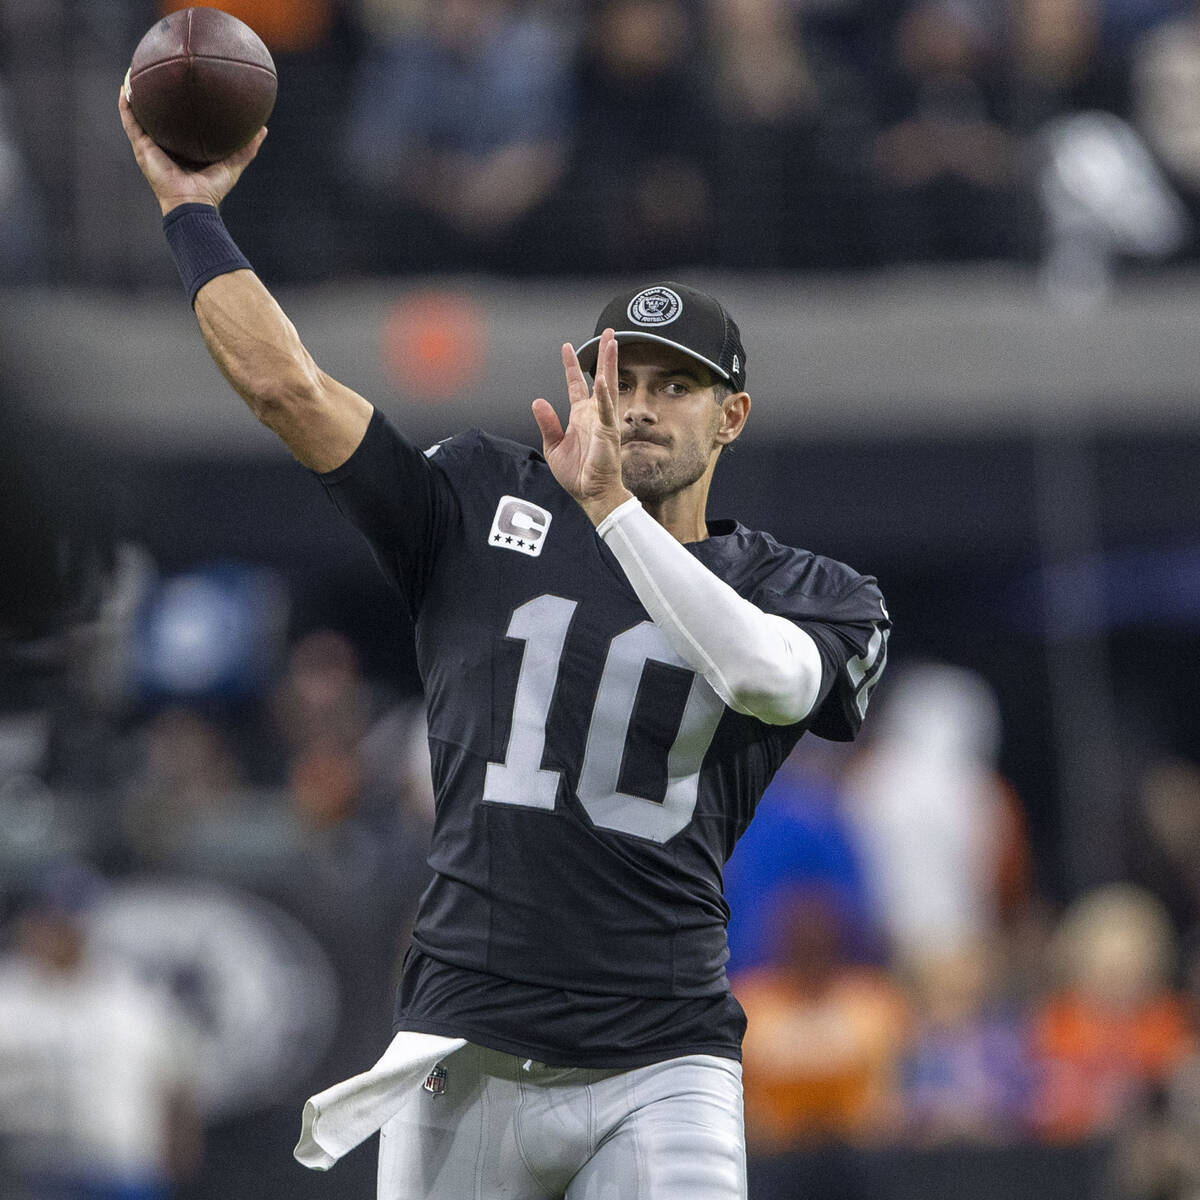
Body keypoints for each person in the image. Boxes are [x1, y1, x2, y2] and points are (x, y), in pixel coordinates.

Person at [118, 89, 890, 1200]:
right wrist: (192, 212)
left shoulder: (803, 591)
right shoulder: (480, 500)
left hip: (662, 1056)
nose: (639, 407)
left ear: (733, 418)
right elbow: (289, 387)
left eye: (676, 386)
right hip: (463, 1047)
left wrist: (614, 515)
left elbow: (768, 679)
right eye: (621, 378)